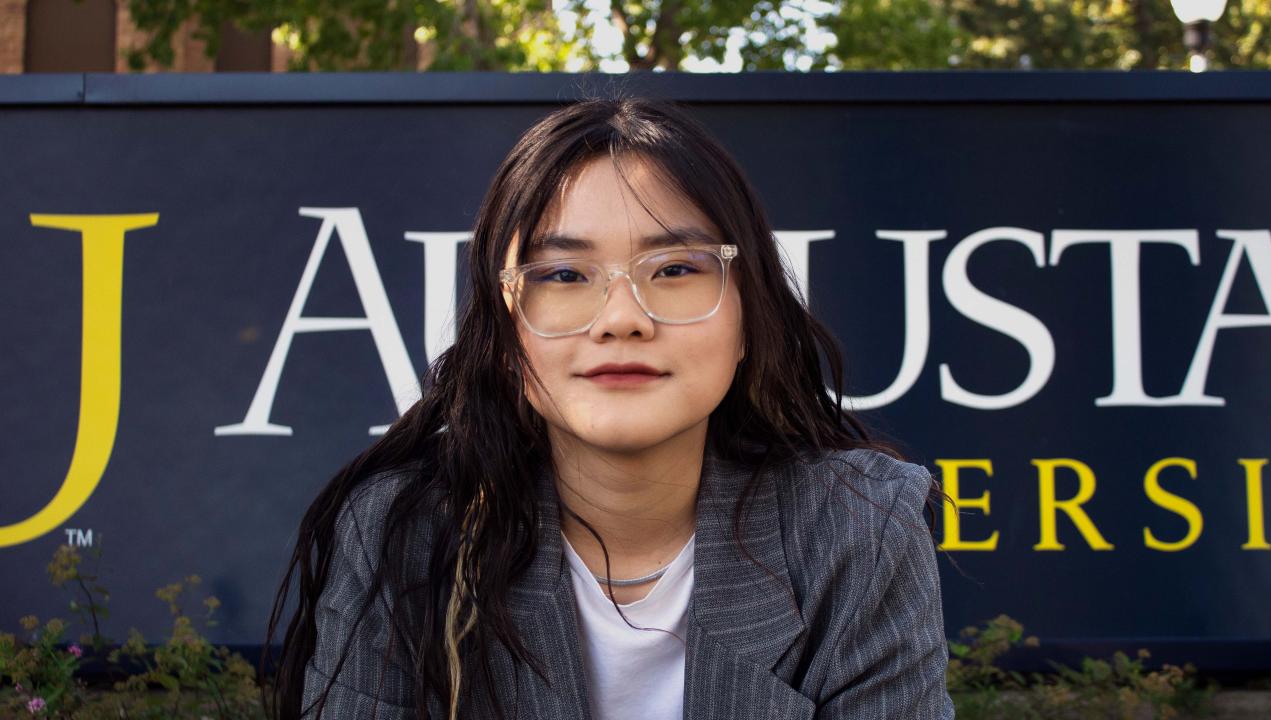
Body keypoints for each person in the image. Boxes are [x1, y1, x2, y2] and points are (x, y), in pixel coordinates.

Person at [263, 95, 956, 720]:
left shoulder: (860, 534)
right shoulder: (404, 534)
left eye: (677, 269)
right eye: (563, 274)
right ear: (504, 334)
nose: (621, 319)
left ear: (750, 318)